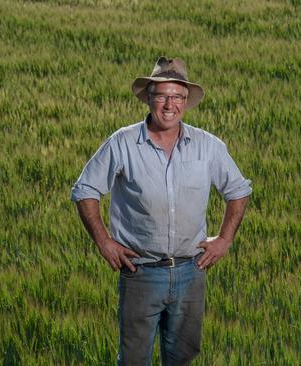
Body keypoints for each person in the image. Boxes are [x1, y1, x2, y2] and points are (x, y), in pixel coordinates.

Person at [70, 57, 252, 365]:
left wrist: (224, 239)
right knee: (134, 359)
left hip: (190, 272)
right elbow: (84, 191)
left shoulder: (208, 146)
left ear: (186, 102)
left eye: (177, 96)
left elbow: (239, 191)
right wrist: (103, 241)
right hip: (140, 272)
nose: (170, 104)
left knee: (182, 357)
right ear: (150, 98)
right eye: (162, 95)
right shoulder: (122, 143)